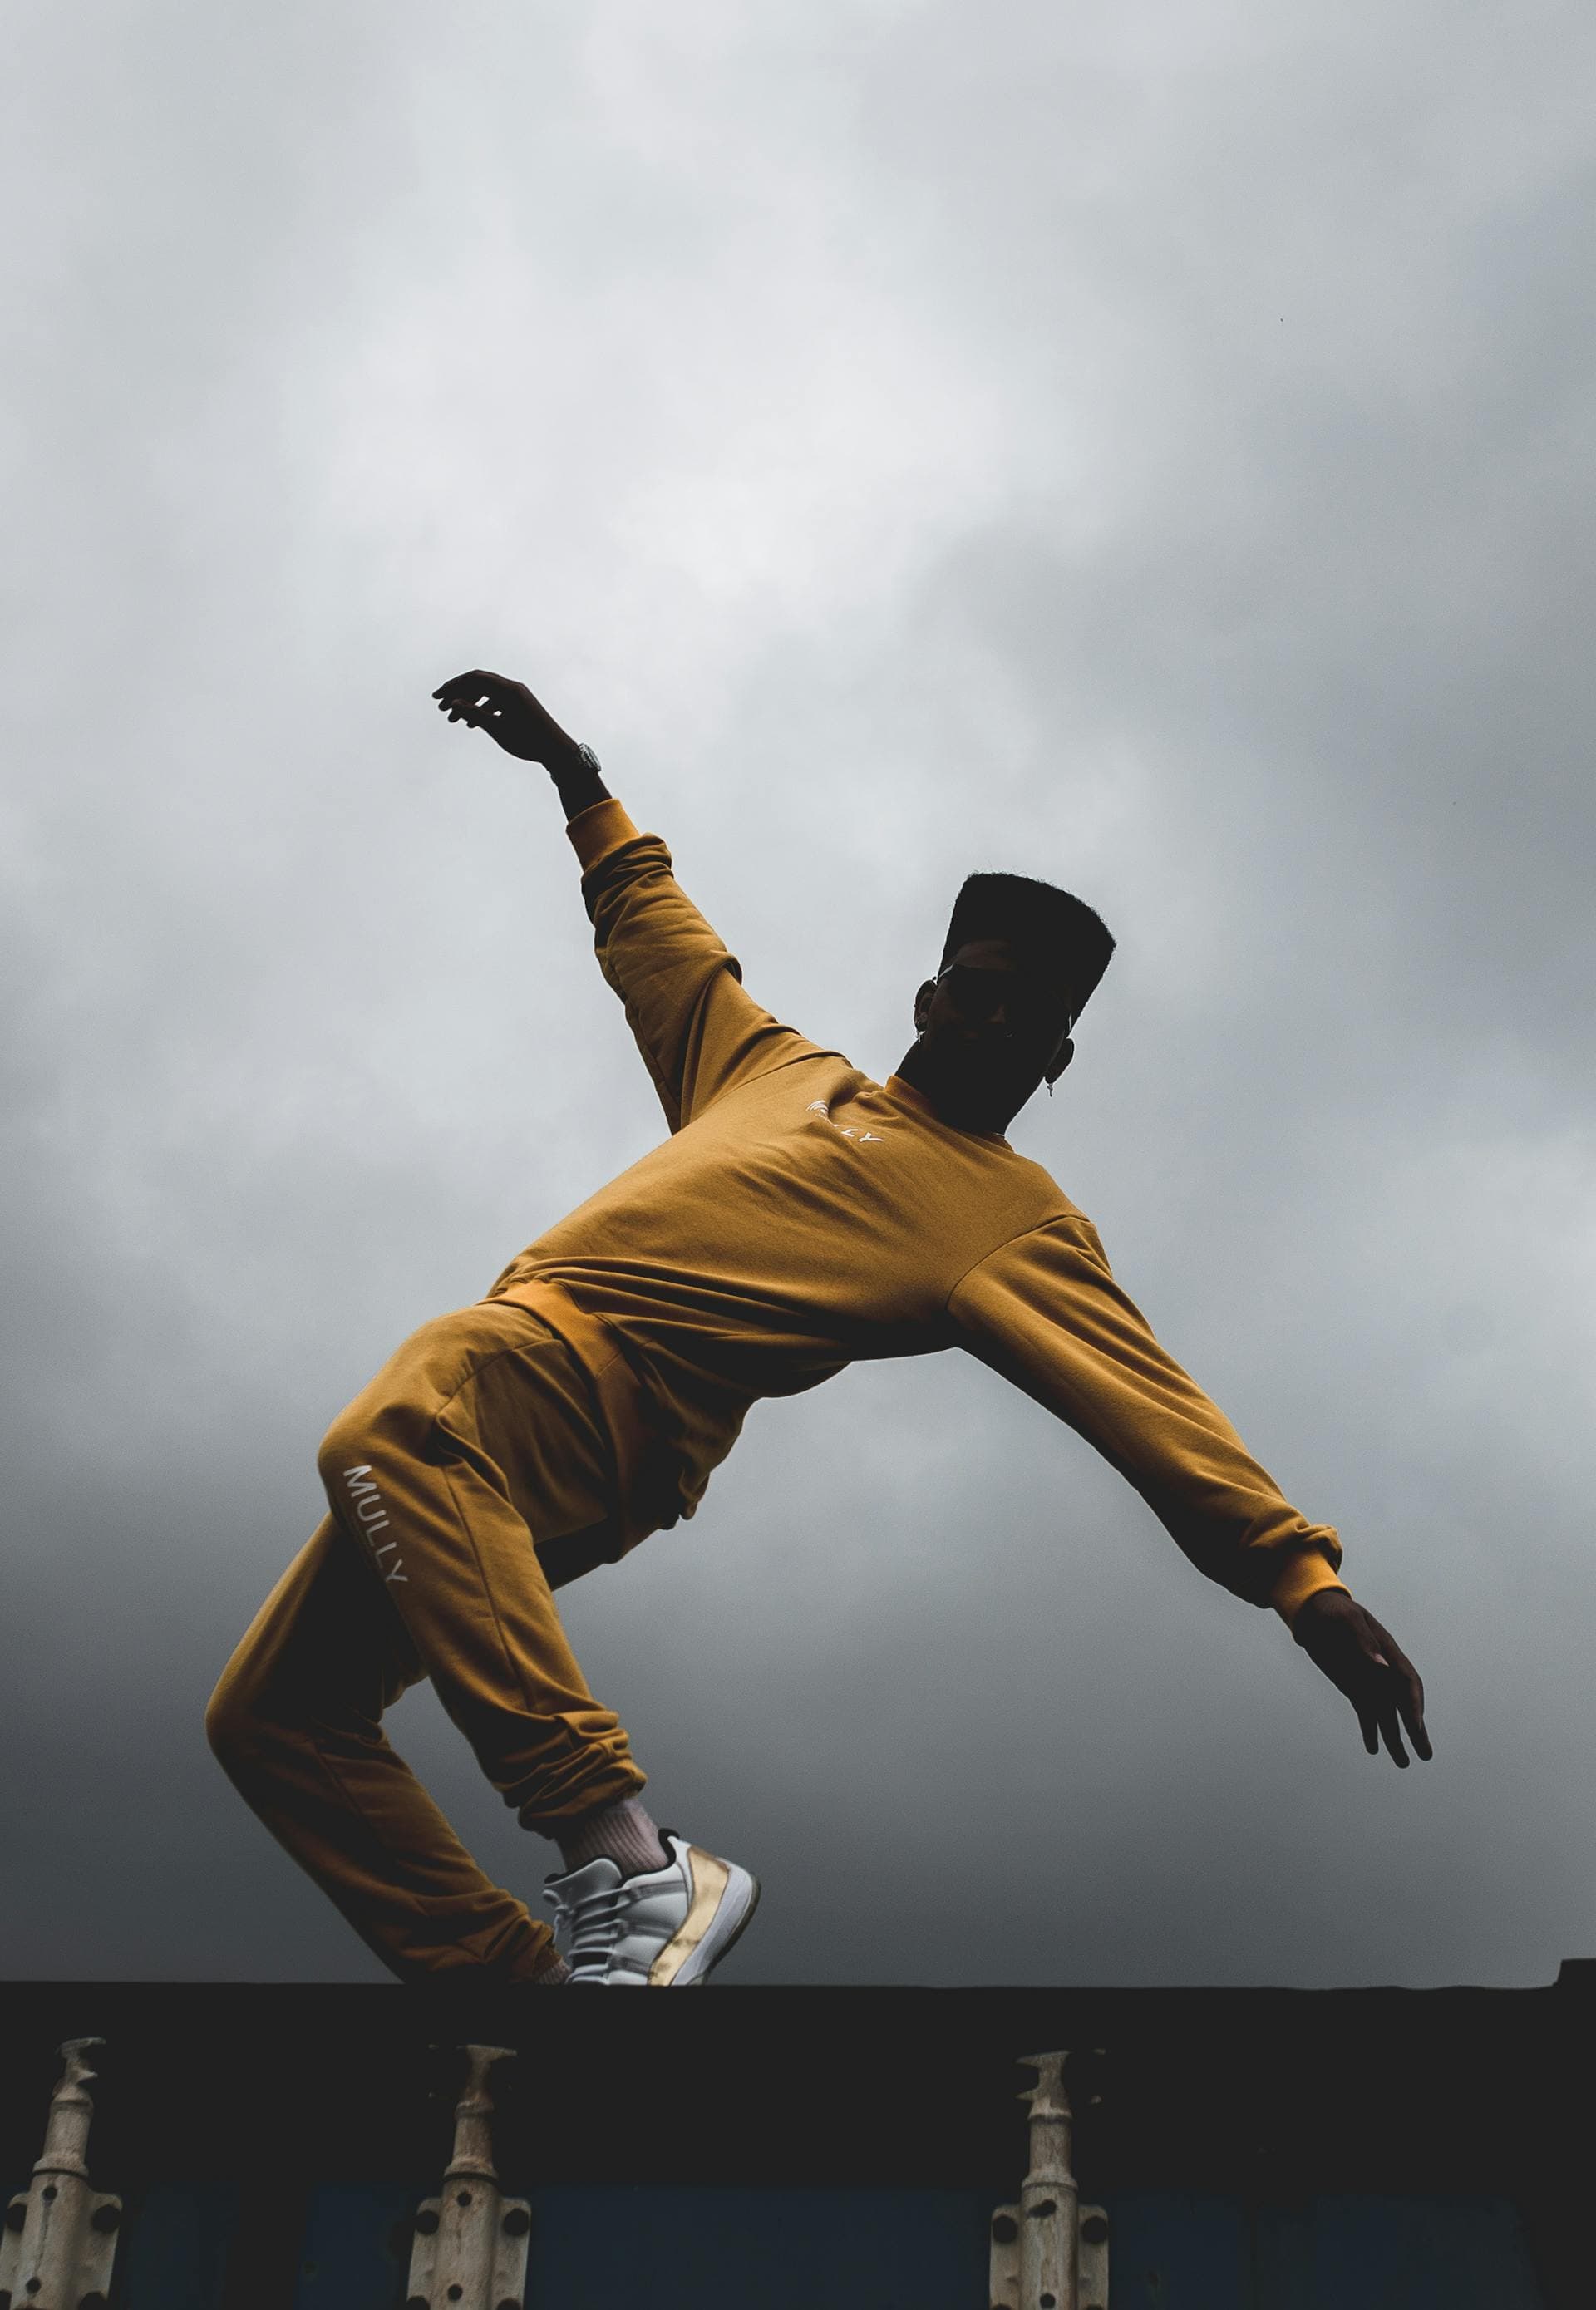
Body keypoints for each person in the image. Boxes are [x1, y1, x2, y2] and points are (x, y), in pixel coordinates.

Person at [206, 667, 1430, 1990]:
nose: (999, 1020)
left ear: (1057, 1062)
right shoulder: (766, 1065)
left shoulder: (1005, 1218)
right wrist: (579, 781)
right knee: (277, 1717)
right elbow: (661, 938)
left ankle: (626, 1854)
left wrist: (1307, 1586)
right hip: (525, 1404)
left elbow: (1152, 1411)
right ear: (929, 995)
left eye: (1034, 1018)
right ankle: (518, 1995)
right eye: (981, 988)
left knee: (398, 1415)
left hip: (588, 1397)